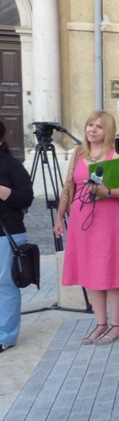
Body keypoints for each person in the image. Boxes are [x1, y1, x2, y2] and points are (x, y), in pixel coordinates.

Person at [55, 111, 119, 345]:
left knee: (111, 270)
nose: (92, 130)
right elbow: (68, 185)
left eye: (98, 126)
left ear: (108, 130)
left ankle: (116, 324)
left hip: (107, 220)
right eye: (90, 125)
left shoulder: (117, 155)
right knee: (89, 270)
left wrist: (105, 191)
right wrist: (60, 215)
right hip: (80, 221)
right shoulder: (79, 153)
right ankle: (101, 322)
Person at [0, 122, 34, 353]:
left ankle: (5, 335)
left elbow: (26, 199)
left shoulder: (11, 166)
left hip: (7, 233)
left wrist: (3, 191)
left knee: (5, 285)